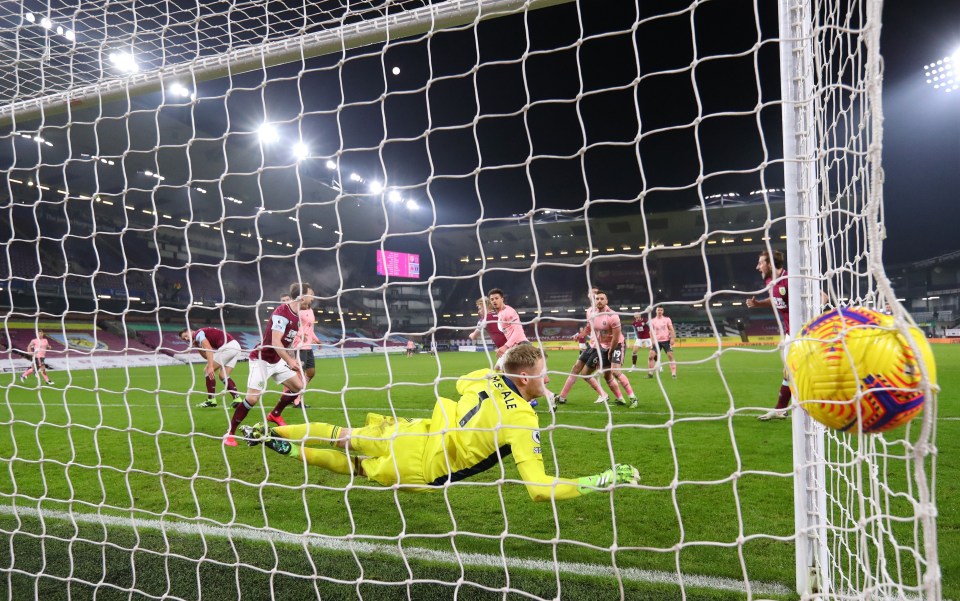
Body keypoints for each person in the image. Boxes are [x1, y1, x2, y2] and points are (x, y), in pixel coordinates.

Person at [240, 345, 640, 501]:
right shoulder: (523, 418)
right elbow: (537, 489)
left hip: (413, 428)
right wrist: (601, 479)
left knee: (343, 435)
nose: (548, 379)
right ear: (523, 379)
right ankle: (286, 448)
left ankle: (270, 432)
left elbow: (469, 378)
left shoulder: (485, 377)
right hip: (427, 465)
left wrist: (504, 366)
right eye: (542, 372)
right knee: (356, 467)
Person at [223, 283, 313, 447]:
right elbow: (275, 341)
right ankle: (229, 434)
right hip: (261, 359)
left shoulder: (297, 317)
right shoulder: (282, 314)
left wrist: (294, 358)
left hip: (277, 360)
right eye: (311, 295)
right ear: (301, 296)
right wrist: (290, 361)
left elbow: (287, 343)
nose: (313, 298)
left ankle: (275, 414)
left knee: (299, 387)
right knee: (252, 398)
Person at [555, 291, 637, 408]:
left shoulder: (612, 315)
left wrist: (610, 351)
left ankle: (633, 398)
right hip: (599, 346)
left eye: (601, 298)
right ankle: (619, 398)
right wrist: (580, 335)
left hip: (615, 344)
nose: (599, 300)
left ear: (606, 301)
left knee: (615, 372)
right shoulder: (590, 312)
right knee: (597, 374)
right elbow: (588, 328)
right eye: (597, 298)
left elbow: (616, 337)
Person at [746, 250, 791, 421]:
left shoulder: (790, 281)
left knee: (795, 373)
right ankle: (780, 410)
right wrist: (758, 304)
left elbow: (822, 296)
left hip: (803, 334)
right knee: (789, 373)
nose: (758, 267)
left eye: (761, 263)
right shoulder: (770, 280)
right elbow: (775, 299)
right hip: (790, 333)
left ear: (770, 264)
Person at [179, 326, 242, 407]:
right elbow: (206, 355)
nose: (187, 339)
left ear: (190, 331)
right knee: (223, 375)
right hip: (236, 347)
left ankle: (211, 400)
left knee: (207, 370)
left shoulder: (198, 334)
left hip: (228, 347)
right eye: (184, 339)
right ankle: (237, 399)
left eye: (186, 336)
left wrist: (211, 366)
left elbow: (208, 348)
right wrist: (198, 347)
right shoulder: (200, 336)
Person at [292, 296, 321, 409]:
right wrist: (299, 335)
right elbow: (293, 327)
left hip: (308, 346)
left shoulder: (310, 310)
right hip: (299, 345)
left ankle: (294, 395)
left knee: (311, 373)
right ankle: (296, 399)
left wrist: (317, 340)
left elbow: (310, 329)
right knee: (299, 373)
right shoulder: (297, 311)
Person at [487, 288, 529, 365]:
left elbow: (518, 331)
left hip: (521, 346)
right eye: (492, 299)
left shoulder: (509, 312)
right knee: (499, 369)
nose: (494, 301)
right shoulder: (500, 313)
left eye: (496, 298)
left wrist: (505, 346)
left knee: (503, 370)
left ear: (502, 299)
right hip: (514, 347)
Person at [648, 306, 677, 378]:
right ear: (656, 311)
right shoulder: (652, 320)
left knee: (670, 356)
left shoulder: (667, 319)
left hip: (666, 341)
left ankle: (673, 373)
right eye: (658, 310)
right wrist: (652, 340)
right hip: (657, 341)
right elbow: (651, 331)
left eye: (661, 310)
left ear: (663, 311)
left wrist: (672, 339)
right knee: (651, 356)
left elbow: (671, 329)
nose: (660, 311)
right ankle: (650, 373)